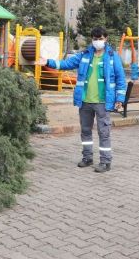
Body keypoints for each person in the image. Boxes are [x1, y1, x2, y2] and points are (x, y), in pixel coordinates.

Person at [36, 27, 126, 173]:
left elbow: (121, 79)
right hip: (85, 101)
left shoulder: (112, 56)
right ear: (92, 39)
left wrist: (120, 98)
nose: (98, 41)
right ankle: (87, 158)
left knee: (104, 132)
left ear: (106, 39)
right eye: (95, 39)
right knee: (85, 131)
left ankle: (105, 161)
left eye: (101, 38)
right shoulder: (85, 54)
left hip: (103, 102)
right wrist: (48, 62)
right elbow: (66, 64)